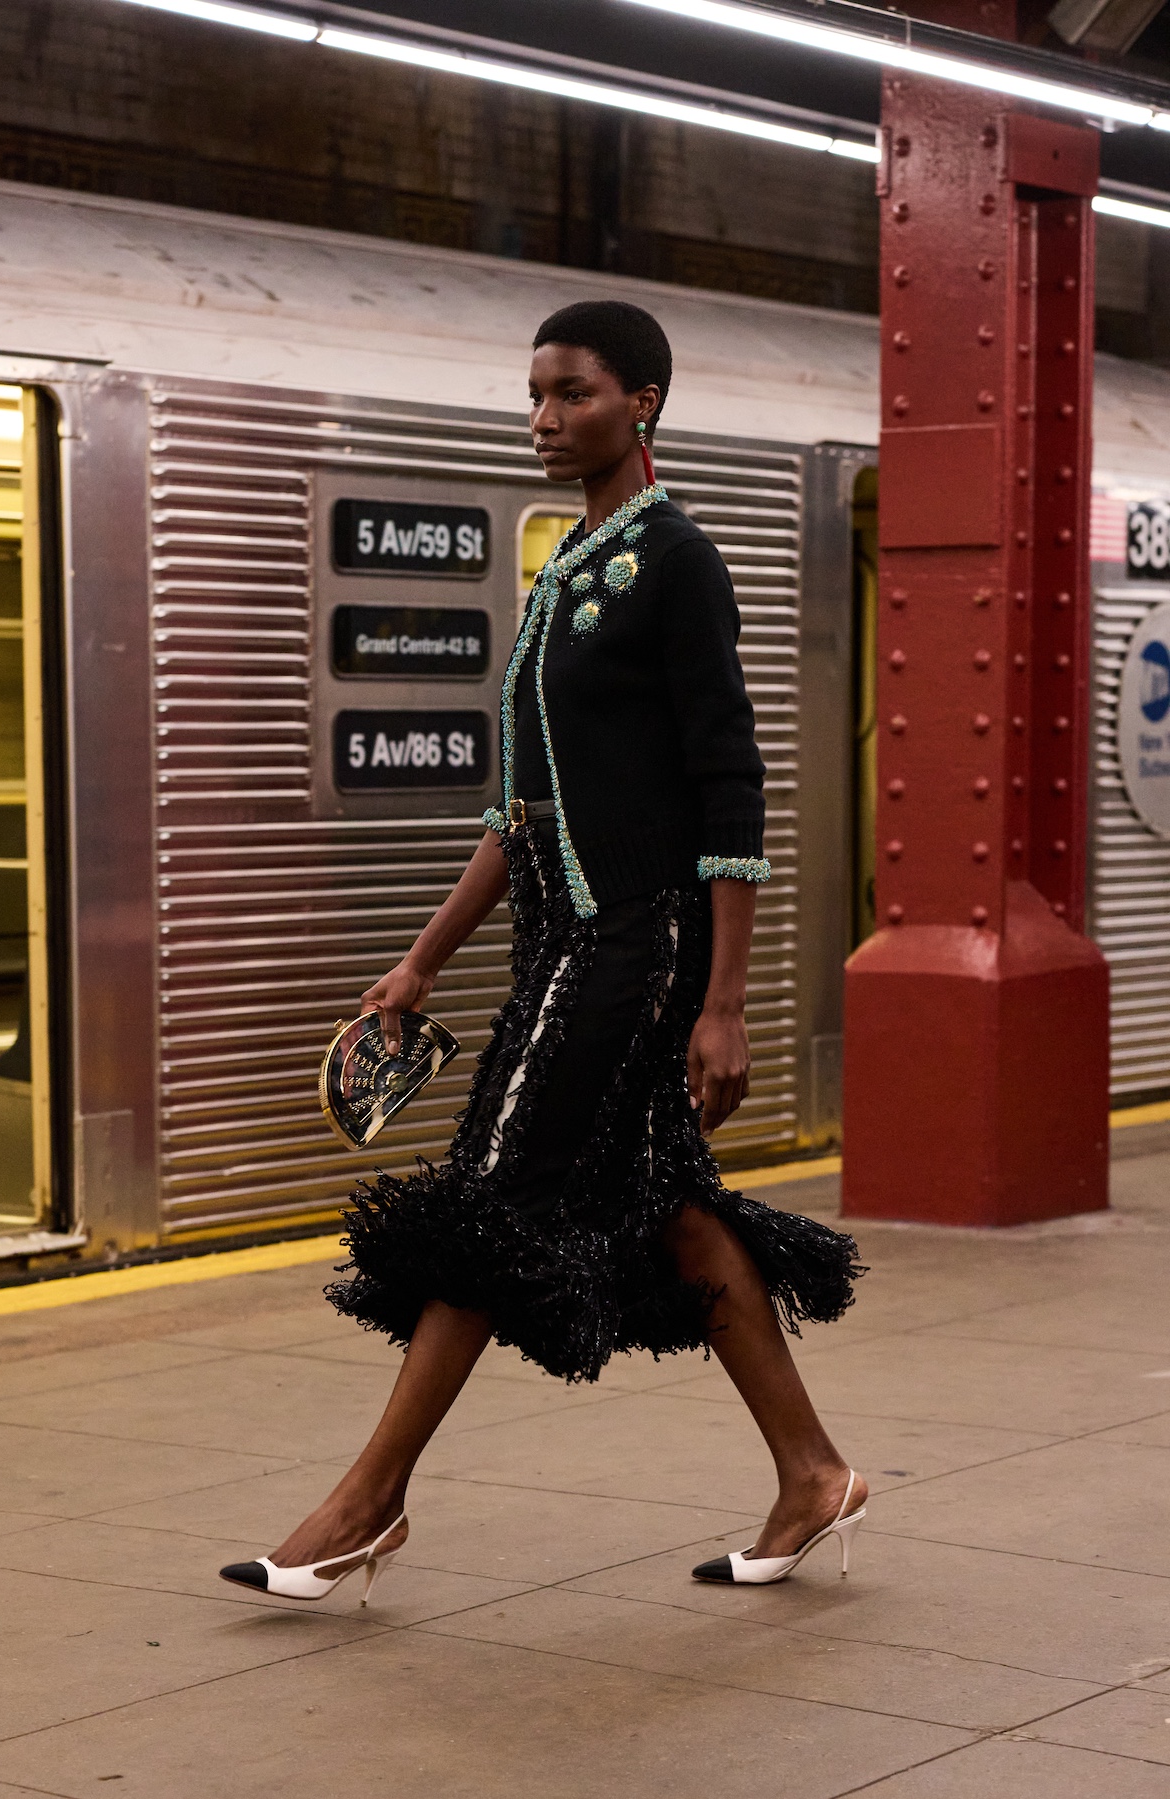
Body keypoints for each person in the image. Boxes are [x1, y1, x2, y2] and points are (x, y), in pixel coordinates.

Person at [220, 299, 867, 1604]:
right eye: (534, 393)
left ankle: (367, 1502)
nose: (541, 417)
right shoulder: (561, 577)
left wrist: (726, 1002)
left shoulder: (677, 561)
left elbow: (731, 786)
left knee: (492, 1193)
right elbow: (518, 822)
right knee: (675, 1213)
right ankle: (814, 1473)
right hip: (562, 942)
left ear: (643, 402)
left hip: (639, 948)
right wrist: (419, 964)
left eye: (570, 392)